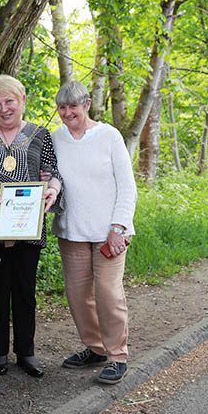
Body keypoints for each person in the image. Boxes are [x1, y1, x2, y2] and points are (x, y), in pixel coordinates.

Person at [0, 75, 62, 378]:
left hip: (28, 226)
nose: (4, 108)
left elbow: (53, 172)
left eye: (9, 101)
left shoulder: (40, 134)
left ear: (22, 100)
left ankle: (27, 353)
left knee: (24, 290)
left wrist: (53, 189)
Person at [51, 81, 137, 384]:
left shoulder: (109, 136)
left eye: (72, 106)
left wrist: (119, 227)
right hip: (71, 230)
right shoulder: (55, 139)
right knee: (78, 297)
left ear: (86, 104)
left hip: (108, 233)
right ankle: (96, 348)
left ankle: (117, 356)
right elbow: (51, 179)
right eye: (62, 107)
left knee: (108, 293)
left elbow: (127, 185)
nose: (67, 112)